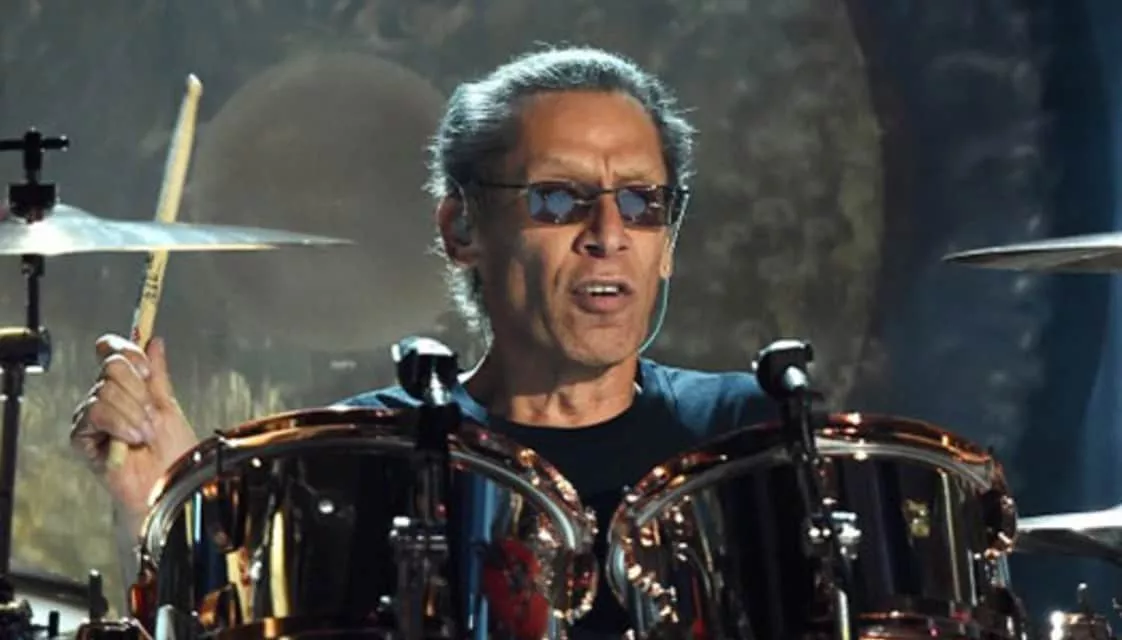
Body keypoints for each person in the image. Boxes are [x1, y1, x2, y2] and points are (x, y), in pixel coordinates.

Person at [69, 45, 775, 637]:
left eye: (642, 202)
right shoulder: (357, 456)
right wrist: (160, 509)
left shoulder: (749, 437)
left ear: (668, 242)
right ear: (462, 230)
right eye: (558, 198)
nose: (609, 234)